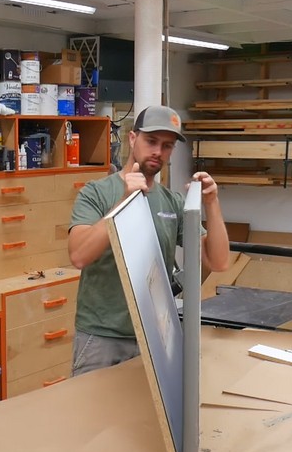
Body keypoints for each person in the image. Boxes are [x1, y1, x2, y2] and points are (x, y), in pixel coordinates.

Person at [67, 105, 230, 376]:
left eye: (167, 146)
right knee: (92, 415)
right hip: (101, 336)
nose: (158, 152)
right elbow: (79, 256)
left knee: (145, 418)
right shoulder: (96, 193)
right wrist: (123, 203)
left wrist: (212, 203)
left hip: (154, 338)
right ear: (133, 139)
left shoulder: (173, 202)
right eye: (151, 141)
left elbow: (218, 261)